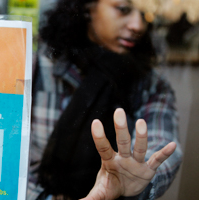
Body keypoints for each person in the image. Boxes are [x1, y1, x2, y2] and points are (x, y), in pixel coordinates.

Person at [27, 0, 183, 199]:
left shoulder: (150, 83)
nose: (137, 25)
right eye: (123, 9)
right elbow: (9, 162)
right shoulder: (37, 67)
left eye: (144, 14)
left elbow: (161, 143)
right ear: (87, 7)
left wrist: (139, 177)